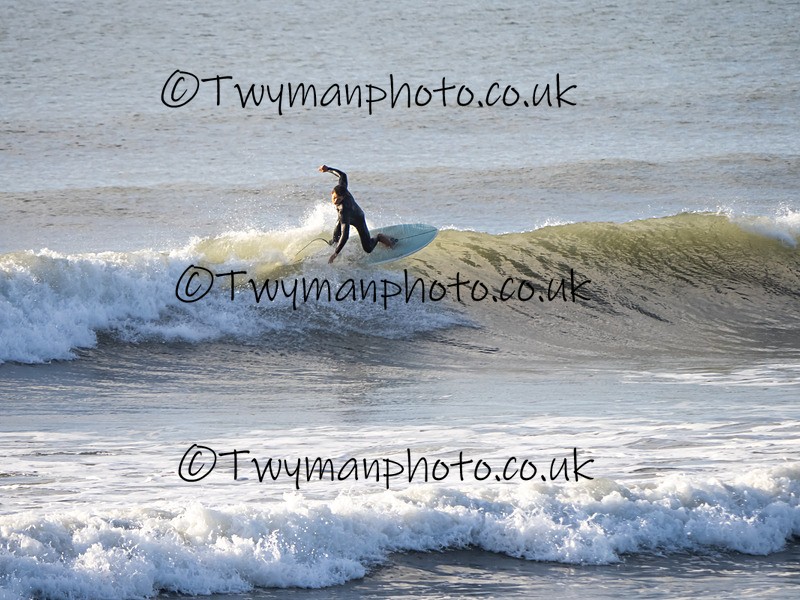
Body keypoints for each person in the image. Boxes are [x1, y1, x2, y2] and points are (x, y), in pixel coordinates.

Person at [319, 165, 395, 263]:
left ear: (344, 197)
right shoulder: (341, 188)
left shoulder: (343, 210)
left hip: (357, 218)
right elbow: (342, 175)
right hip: (344, 217)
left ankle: (379, 237)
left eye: (339, 199)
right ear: (332, 193)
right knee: (335, 239)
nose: (336, 201)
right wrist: (328, 169)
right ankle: (333, 246)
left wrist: (335, 254)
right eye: (334, 198)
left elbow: (345, 234)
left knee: (368, 248)